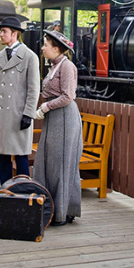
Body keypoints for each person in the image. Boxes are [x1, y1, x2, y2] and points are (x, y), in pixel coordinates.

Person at [33, 30, 83, 226]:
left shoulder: (67, 66)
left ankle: (63, 212)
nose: (43, 48)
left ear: (56, 48)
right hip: (54, 117)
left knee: (61, 164)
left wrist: (46, 107)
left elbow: (68, 96)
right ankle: (52, 208)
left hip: (64, 117)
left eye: (46, 44)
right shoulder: (54, 66)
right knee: (50, 163)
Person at [0, 16, 40, 185]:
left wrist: (28, 114)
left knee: (21, 157)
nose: (1, 35)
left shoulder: (30, 57)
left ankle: (23, 193)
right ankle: (5, 190)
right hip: (2, 115)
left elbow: (33, 90)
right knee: (3, 158)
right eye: (1, 31)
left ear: (14, 33)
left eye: (4, 32)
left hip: (19, 116)